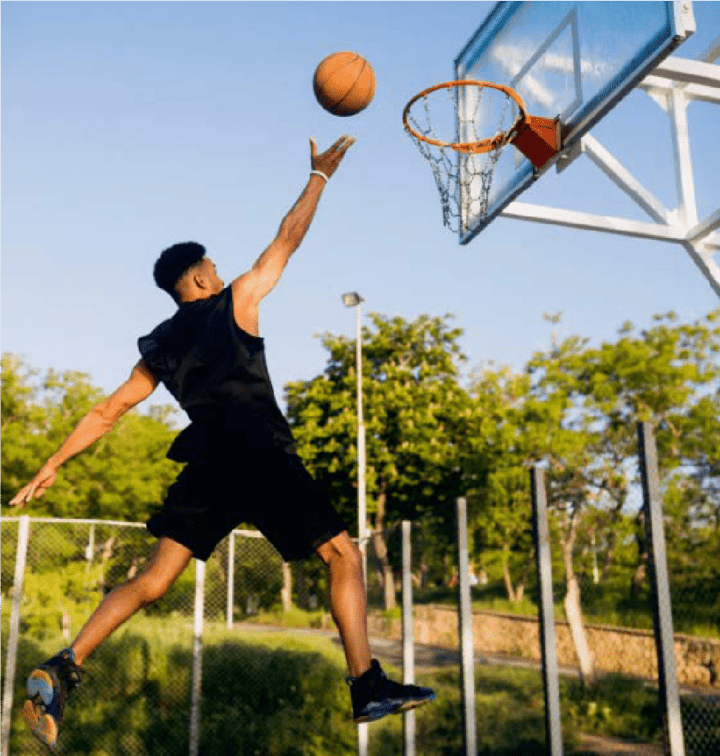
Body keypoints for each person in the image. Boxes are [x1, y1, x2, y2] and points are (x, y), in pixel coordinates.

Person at [10, 135, 434, 752]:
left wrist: (52, 463)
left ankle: (65, 665)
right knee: (343, 556)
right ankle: (365, 684)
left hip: (207, 466)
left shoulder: (160, 343)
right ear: (203, 273)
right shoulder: (237, 298)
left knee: (155, 580)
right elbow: (288, 238)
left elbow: (108, 412)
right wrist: (319, 176)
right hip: (262, 457)